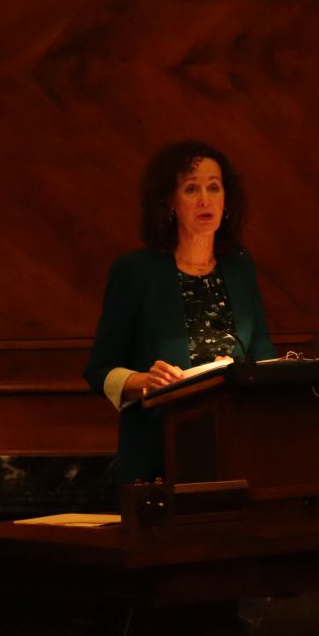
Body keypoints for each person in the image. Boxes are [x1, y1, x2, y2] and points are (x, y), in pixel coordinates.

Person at [84, 140, 277, 483]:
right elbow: (99, 370)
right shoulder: (135, 272)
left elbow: (262, 354)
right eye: (191, 189)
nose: (205, 200)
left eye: (213, 188)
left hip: (236, 451)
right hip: (161, 453)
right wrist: (146, 381)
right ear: (169, 203)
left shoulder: (241, 268)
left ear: (226, 202)